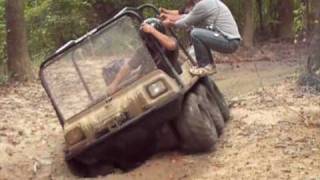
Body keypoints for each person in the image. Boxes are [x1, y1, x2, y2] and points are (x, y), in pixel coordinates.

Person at [160, 0, 241, 76]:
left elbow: (185, 22)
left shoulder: (204, 4)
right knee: (199, 34)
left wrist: (171, 23)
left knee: (195, 33)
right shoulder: (209, 2)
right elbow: (188, 16)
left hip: (229, 41)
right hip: (230, 40)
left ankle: (206, 66)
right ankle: (208, 65)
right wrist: (168, 16)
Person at [107, 18, 179, 95]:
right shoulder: (144, 50)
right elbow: (129, 66)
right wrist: (115, 83)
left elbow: (171, 45)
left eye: (149, 38)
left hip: (167, 82)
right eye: (145, 39)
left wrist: (152, 31)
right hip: (148, 82)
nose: (146, 42)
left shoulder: (169, 41)